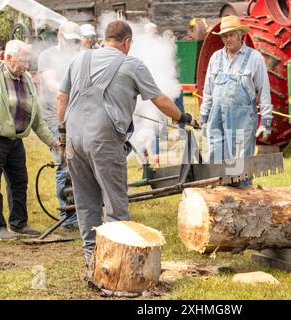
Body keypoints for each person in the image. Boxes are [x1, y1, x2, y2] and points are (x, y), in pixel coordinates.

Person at [56, 20, 197, 264]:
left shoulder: (80, 59)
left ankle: (92, 259)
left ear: (105, 38)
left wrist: (62, 134)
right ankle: (116, 263)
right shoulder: (132, 64)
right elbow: (161, 101)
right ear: (127, 42)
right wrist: (183, 116)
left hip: (74, 139)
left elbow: (61, 97)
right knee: (115, 203)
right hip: (104, 140)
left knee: (86, 201)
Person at [0, 40, 60, 240]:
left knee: (19, 182)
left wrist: (53, 142)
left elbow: (37, 120)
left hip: (16, 141)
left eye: (28, 61)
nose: (26, 65)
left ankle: (19, 223)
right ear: (8, 58)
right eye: (23, 61)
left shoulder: (26, 79)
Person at [200, 15, 273, 186]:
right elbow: (208, 91)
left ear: (240, 34)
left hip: (243, 120)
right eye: (225, 36)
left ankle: (244, 203)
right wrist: (204, 117)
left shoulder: (254, 58)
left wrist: (266, 121)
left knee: (240, 164)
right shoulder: (215, 58)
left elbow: (264, 91)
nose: (228, 39)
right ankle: (217, 197)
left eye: (232, 34)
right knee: (216, 157)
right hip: (217, 119)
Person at [37, 21, 82, 229]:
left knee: (78, 164)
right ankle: (68, 217)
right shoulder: (48, 56)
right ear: (60, 37)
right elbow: (53, 84)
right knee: (64, 165)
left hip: (75, 115)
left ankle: (79, 210)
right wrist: (71, 93)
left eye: (76, 41)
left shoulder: (77, 56)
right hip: (55, 116)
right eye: (70, 40)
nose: (73, 45)